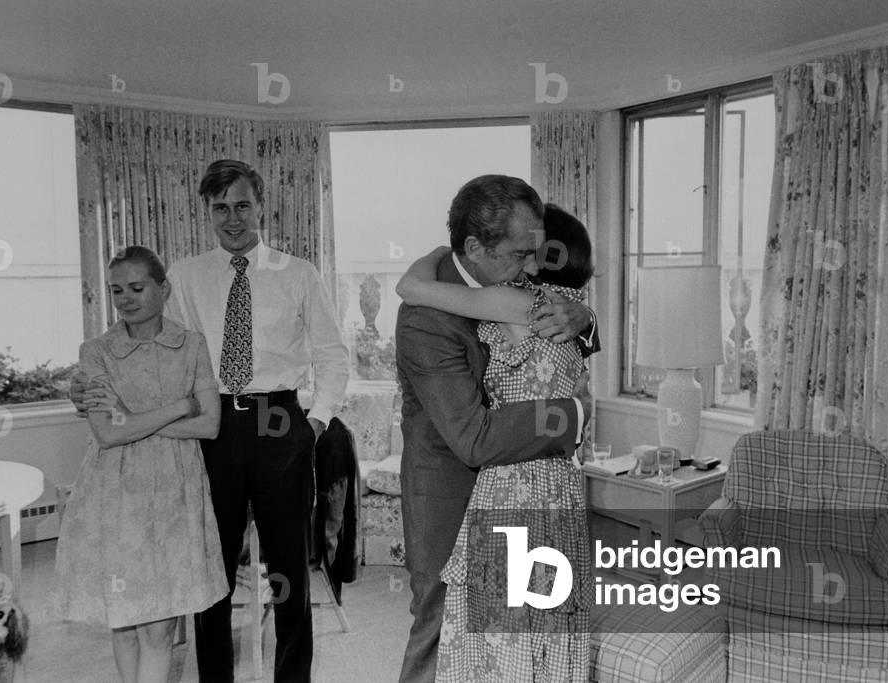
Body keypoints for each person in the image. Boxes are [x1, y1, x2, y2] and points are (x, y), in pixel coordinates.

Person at [72, 160, 349, 683]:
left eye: (242, 205)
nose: (233, 219)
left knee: (289, 570)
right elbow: (143, 342)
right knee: (209, 572)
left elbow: (333, 356)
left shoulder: (298, 273)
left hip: (278, 423)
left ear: (260, 206)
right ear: (208, 213)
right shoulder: (185, 274)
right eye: (220, 208)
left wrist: (313, 424)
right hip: (211, 426)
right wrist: (84, 382)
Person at [394, 176, 597, 683]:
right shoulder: (423, 318)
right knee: (441, 626)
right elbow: (474, 438)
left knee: (526, 624)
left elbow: (566, 334)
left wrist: (585, 316)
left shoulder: (520, 284)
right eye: (520, 254)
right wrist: (573, 413)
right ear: (474, 248)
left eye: (539, 251)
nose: (533, 268)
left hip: (524, 489)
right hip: (450, 486)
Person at [56, 246, 228, 683]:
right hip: (114, 494)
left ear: (163, 288)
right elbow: (108, 433)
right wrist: (178, 407)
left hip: (176, 490)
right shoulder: (95, 351)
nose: (126, 299)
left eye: (137, 287)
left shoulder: (191, 344)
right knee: (125, 618)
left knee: (160, 626)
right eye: (117, 291)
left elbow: (209, 425)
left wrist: (132, 419)